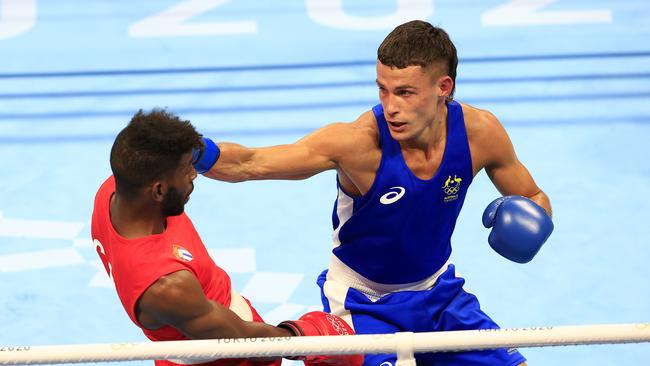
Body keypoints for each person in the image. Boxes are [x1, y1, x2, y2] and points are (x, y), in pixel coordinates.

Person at [192, 20, 554, 366]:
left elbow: (533, 194)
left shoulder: (481, 133)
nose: (390, 106)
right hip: (363, 302)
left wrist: (536, 221)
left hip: (439, 294)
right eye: (383, 89)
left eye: (405, 92)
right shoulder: (357, 144)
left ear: (443, 87)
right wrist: (192, 152)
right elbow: (250, 163)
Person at [90, 109, 363, 366]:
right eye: (186, 170)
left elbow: (154, 145)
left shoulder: (118, 191)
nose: (194, 174)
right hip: (227, 355)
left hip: (209, 319)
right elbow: (243, 340)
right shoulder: (166, 287)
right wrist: (303, 338)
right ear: (159, 190)